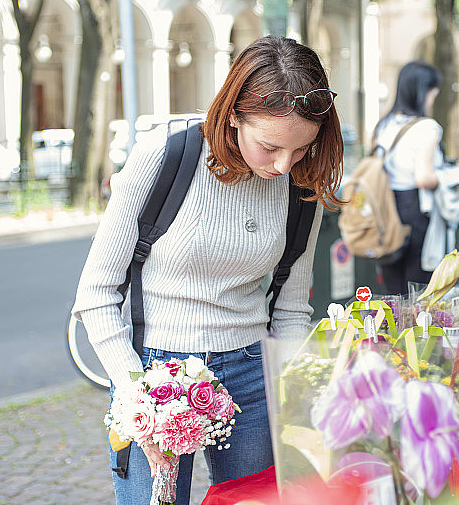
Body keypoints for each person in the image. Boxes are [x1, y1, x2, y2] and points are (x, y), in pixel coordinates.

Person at [72, 36, 343, 505]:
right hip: (152, 373)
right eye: (270, 146)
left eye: (301, 149)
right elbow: (96, 296)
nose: (284, 165)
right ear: (233, 114)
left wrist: (298, 397)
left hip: (251, 371)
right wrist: (135, 397)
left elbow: (292, 309)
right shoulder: (165, 157)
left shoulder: (300, 185)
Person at [373, 61, 443, 295]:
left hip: (385, 207)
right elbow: (423, 177)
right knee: (419, 288)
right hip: (415, 210)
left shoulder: (384, 124)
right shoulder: (427, 127)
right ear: (423, 92)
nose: (433, 98)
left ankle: (394, 320)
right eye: (432, 93)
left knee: (394, 288)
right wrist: (453, 177)